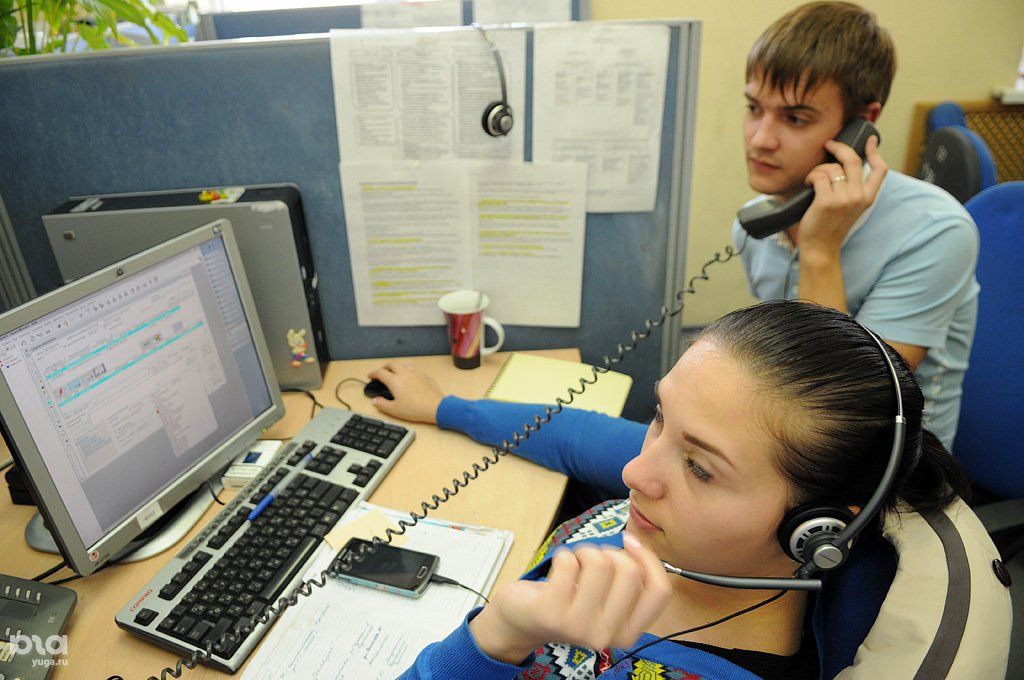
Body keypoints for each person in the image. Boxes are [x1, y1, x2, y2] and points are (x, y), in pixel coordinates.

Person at [368, 301, 970, 679]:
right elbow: (581, 435)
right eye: (660, 417)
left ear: (817, 530)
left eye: (699, 468)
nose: (635, 471)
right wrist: (446, 407)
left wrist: (496, 635)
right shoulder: (691, 532)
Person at [735, 2, 979, 448]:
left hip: (891, 464)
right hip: (786, 439)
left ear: (862, 123)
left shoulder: (937, 230)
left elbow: (850, 408)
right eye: (754, 108)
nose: (760, 138)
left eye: (795, 118)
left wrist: (819, 250)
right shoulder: (760, 223)